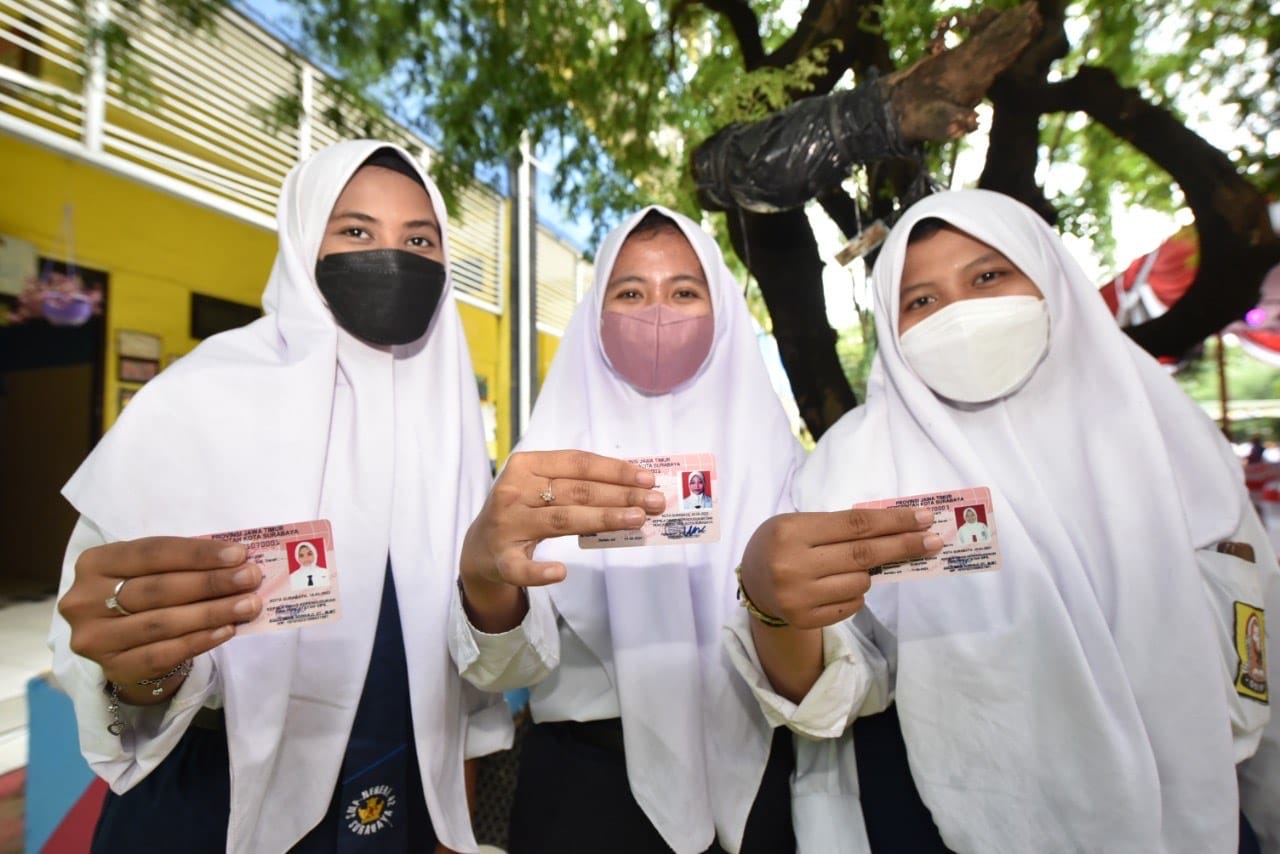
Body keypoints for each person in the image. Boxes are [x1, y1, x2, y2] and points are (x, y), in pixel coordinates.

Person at [733, 189, 1280, 853]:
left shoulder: (1170, 441)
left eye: (989, 276)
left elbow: (1257, 640)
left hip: (1198, 811)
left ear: (1049, 277)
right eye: (921, 301)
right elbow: (831, 692)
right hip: (961, 821)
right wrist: (771, 606)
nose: (959, 314)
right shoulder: (854, 469)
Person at [50, 140, 507, 853]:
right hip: (210, 802)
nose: (392, 256)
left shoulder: (447, 435)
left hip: (402, 810)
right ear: (301, 243)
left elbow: (463, 686)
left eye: (420, 239)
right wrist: (139, 665)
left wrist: (455, 831)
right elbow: (109, 659)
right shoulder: (194, 401)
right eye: (356, 231)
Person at [450, 207, 939, 854]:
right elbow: (499, 672)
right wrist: (484, 577)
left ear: (725, 311)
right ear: (593, 315)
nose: (657, 312)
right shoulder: (542, 474)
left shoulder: (787, 474)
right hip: (585, 795)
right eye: (630, 292)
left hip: (759, 780)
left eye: (684, 291)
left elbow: (833, 689)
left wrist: (775, 604)